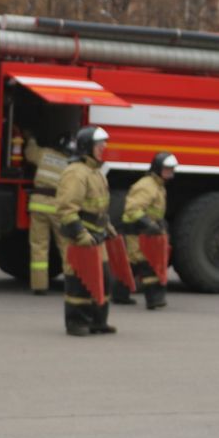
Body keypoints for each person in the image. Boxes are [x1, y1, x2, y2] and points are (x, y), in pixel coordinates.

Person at [54, 125, 117, 336]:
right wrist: (80, 234)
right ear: (87, 147)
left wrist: (107, 226)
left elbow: (98, 206)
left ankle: (98, 321)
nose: (103, 148)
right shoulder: (76, 173)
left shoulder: (96, 173)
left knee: (103, 278)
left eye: (104, 144)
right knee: (78, 280)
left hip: (97, 237)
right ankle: (76, 322)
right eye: (99, 145)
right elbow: (66, 208)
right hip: (81, 238)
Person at [115, 152, 175, 310]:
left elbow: (155, 211)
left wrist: (160, 224)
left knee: (133, 263)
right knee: (145, 263)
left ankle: (120, 295)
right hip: (135, 230)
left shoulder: (158, 186)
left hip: (146, 231)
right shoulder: (147, 186)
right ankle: (154, 299)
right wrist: (148, 223)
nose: (171, 173)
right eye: (167, 169)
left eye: (172, 169)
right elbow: (132, 209)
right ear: (158, 168)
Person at [21, 129, 70, 296]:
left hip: (38, 205)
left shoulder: (44, 153)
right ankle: (71, 284)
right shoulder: (70, 164)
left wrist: (31, 138)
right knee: (65, 246)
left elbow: (29, 153)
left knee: (39, 246)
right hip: (57, 206)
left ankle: (39, 285)